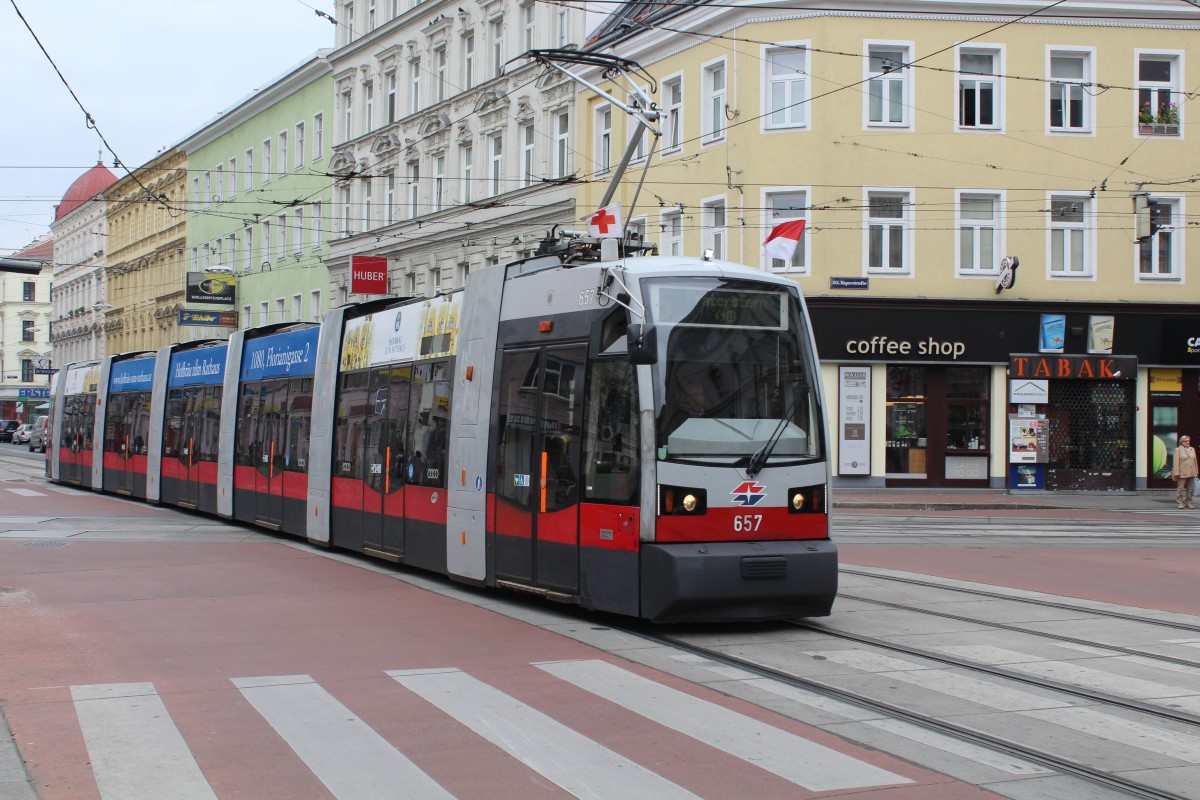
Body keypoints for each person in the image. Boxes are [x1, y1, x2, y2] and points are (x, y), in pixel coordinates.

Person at [1171, 434, 1198, 509]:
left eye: (1189, 441)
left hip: (1192, 472)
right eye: (1186, 441)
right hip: (1182, 472)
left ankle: (1189, 502)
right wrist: (1177, 473)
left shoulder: (1192, 449)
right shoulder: (1178, 450)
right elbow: (1175, 462)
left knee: (1190, 489)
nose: (1188, 442)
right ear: (1181, 442)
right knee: (1180, 488)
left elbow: (1195, 461)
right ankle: (1180, 502)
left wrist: (1196, 472)